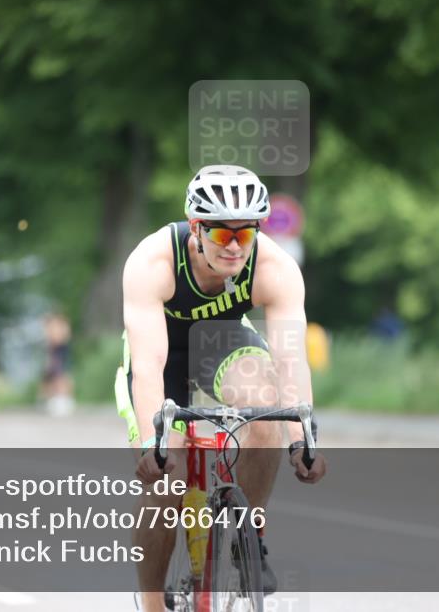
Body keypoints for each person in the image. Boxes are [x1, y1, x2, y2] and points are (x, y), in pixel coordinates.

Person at [115, 164, 327, 611]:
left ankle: (250, 538)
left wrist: (301, 440)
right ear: (196, 228)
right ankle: (152, 602)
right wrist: (157, 444)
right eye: (221, 235)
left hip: (222, 341)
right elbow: (150, 364)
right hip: (162, 350)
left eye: (245, 235)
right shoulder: (151, 261)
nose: (235, 248)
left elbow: (290, 360)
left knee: (267, 410)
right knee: (164, 484)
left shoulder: (276, 268)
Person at [41, 312, 75, 416]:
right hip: (54, 354)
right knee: (52, 377)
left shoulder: (61, 326)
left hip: (59, 353)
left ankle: (63, 399)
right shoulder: (55, 326)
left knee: (61, 376)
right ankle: (52, 399)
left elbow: (59, 339)